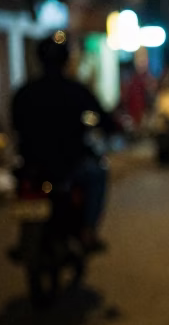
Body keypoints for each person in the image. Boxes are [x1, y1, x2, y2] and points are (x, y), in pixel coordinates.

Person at [11, 32, 110, 251]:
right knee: (98, 173)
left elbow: (15, 126)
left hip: (33, 165)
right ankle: (87, 231)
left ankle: (24, 240)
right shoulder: (76, 90)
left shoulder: (24, 92)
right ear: (65, 59)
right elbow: (104, 119)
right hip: (70, 165)